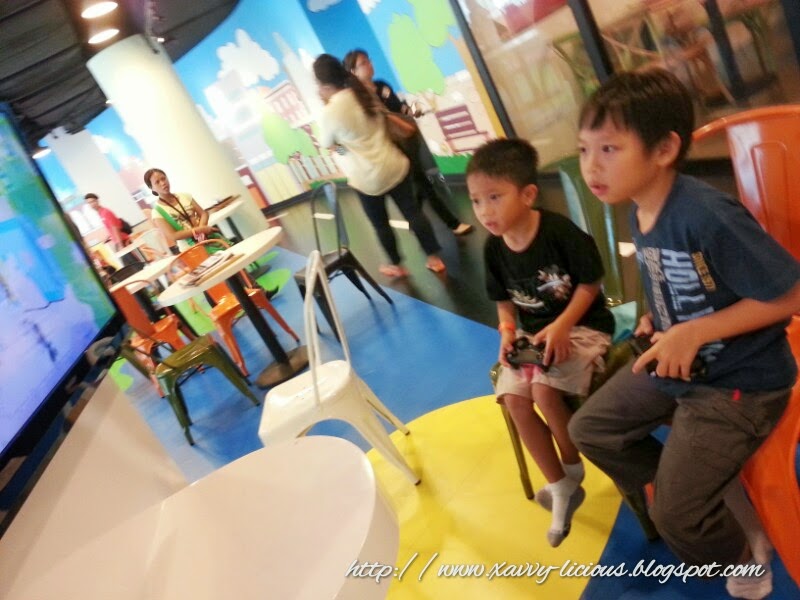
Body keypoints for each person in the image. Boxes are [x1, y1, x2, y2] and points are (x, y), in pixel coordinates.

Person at [567, 69, 800, 599]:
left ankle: (743, 557)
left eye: (609, 148)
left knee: (673, 516)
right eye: (584, 150)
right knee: (591, 430)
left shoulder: (707, 215)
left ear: (664, 149)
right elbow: (670, 276)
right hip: (682, 364)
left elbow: (792, 295)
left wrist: (695, 332)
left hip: (741, 383)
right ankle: (703, 498)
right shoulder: (639, 207)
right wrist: (657, 317)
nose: (591, 166)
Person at [467, 138, 615, 547]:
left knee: (544, 390)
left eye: (494, 197)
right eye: (476, 201)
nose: (484, 211)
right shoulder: (493, 248)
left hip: (584, 326)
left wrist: (564, 325)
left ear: (528, 194)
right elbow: (503, 302)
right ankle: (560, 485)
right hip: (533, 334)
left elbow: (591, 283)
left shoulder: (558, 232)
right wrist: (507, 333)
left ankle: (572, 467)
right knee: (514, 400)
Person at [313, 53, 445, 277]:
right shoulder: (363, 93)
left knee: (381, 224)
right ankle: (434, 259)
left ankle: (396, 265)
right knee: (413, 213)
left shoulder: (329, 112)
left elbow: (330, 145)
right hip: (394, 164)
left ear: (323, 84)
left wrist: (346, 152)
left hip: (366, 179)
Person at [343, 48, 474, 237]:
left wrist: (412, 111)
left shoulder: (381, 85)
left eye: (368, 60)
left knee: (417, 183)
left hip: (408, 138)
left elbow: (400, 107)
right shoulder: (358, 99)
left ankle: (415, 218)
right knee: (423, 183)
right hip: (390, 147)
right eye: (363, 63)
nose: (369, 64)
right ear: (353, 72)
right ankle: (452, 224)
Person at [143, 168, 218, 252]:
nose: (163, 183)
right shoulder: (157, 212)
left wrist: (202, 230)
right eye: (157, 182)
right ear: (152, 188)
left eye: (163, 178)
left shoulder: (184, 196)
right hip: (191, 249)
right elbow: (173, 236)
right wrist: (200, 230)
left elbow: (203, 213)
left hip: (208, 238)